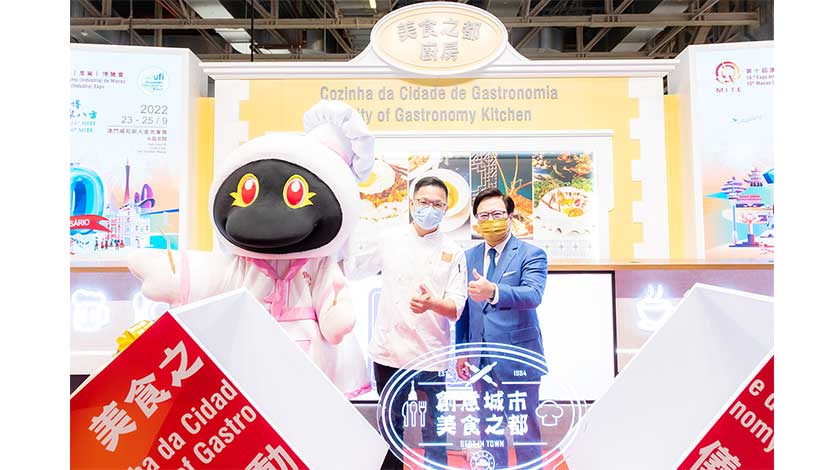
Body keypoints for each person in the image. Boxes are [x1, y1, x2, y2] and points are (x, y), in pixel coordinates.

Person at [344, 176, 467, 470]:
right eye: (423, 202)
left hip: (432, 354)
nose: (429, 209)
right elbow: (355, 270)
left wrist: (432, 303)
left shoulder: (453, 250)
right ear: (412, 204)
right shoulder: (389, 239)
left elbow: (456, 307)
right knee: (391, 425)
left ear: (446, 209)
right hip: (389, 351)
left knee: (435, 428)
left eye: (437, 204)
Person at [455, 187, 548, 469]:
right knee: (489, 426)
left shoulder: (531, 253)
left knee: (524, 427)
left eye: (497, 214)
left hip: (518, 357)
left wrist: (494, 291)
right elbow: (463, 309)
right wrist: (462, 352)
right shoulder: (468, 257)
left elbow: (533, 295)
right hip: (480, 359)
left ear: (510, 216)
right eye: (484, 216)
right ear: (476, 221)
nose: (491, 221)